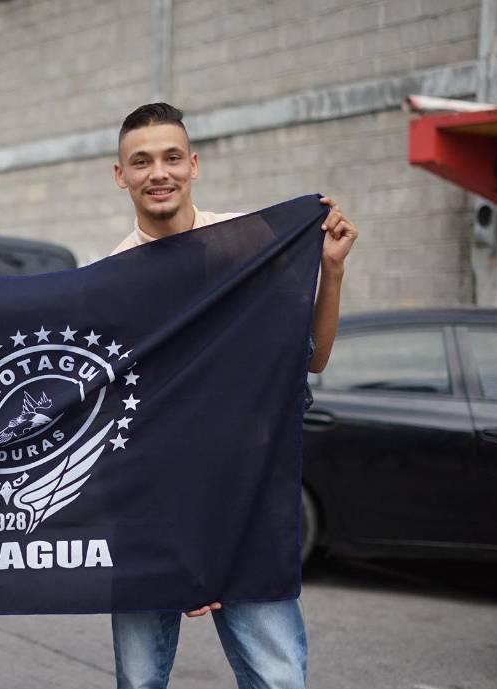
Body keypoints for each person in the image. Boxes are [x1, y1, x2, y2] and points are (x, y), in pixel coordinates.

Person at [108, 103, 358, 689]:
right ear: (121, 176)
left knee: (277, 679)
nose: (158, 172)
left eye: (171, 157)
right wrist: (180, 544)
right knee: (139, 681)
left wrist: (331, 271)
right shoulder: (109, 280)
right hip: (151, 520)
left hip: (247, 507)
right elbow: (124, 433)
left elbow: (311, 360)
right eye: (140, 162)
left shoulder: (253, 249)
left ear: (193, 164)